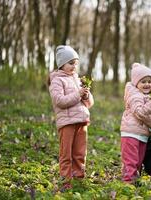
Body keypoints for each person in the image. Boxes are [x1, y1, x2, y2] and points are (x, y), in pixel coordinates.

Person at [49, 45, 94, 191]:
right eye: (70, 63)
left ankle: (79, 180)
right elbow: (60, 101)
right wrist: (78, 94)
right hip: (67, 123)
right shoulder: (57, 81)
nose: (74, 66)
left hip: (82, 122)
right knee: (66, 154)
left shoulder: (79, 79)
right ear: (62, 64)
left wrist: (86, 95)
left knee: (80, 153)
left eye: (76, 63)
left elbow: (89, 104)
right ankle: (66, 183)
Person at [120, 63, 151, 183]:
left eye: (149, 81)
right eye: (143, 82)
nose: (147, 84)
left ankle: (135, 182)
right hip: (131, 133)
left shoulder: (147, 95)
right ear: (136, 83)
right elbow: (140, 113)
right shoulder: (134, 95)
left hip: (142, 134)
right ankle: (128, 184)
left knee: (139, 161)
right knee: (131, 161)